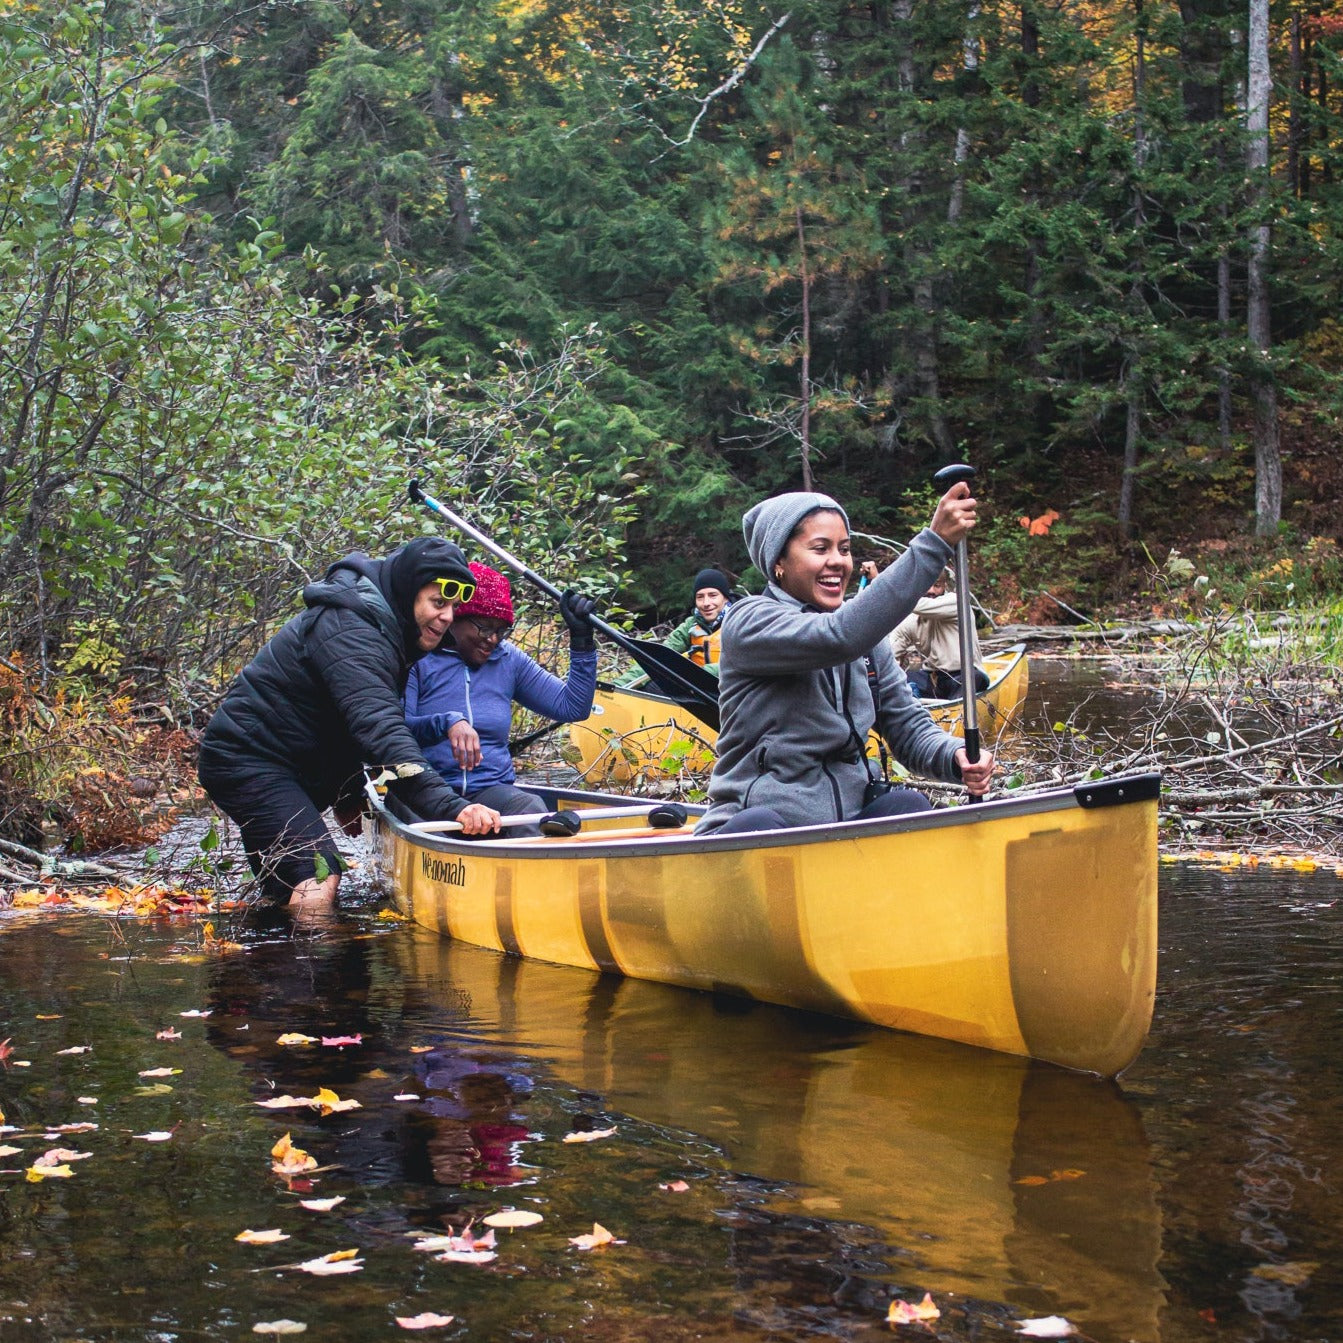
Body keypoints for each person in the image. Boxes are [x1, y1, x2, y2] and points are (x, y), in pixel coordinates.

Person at [197, 537, 503, 917]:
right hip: (248, 760)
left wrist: (347, 792)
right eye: (437, 603)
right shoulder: (351, 629)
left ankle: (267, 967)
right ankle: (307, 965)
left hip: (293, 765)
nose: (446, 617)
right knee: (318, 873)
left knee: (284, 890)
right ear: (409, 593)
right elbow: (380, 728)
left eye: (453, 607)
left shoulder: (386, 628)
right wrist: (452, 807)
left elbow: (341, 719)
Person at [695, 485, 995, 836]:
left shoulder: (866, 641)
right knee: (759, 827)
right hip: (760, 825)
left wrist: (954, 755)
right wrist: (935, 543)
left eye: (845, 549)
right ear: (779, 562)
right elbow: (839, 636)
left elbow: (906, 726)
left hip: (844, 827)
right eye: (820, 548)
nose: (838, 561)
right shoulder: (749, 622)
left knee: (907, 806)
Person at [403, 563, 598, 833]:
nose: (492, 640)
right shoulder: (417, 659)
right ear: (454, 617)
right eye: (484, 628)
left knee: (529, 807)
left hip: (490, 793)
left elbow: (573, 706)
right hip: (428, 792)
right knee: (412, 819)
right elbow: (397, 730)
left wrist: (582, 640)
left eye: (501, 630)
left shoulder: (509, 660)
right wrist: (448, 723)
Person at [860, 560, 989, 700]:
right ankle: (911, 709)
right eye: (926, 586)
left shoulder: (956, 603)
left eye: (937, 586)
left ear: (944, 585)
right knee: (903, 679)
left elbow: (908, 602)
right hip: (934, 680)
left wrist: (878, 580)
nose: (931, 591)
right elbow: (889, 655)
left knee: (974, 678)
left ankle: (959, 716)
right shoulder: (910, 622)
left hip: (965, 676)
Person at [616, 567, 736, 686]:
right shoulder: (691, 625)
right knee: (652, 686)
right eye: (700, 597)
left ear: (725, 598)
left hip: (735, 692)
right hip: (700, 690)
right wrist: (618, 684)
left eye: (713, 595)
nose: (706, 603)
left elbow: (740, 664)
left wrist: (695, 674)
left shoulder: (741, 622)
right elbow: (659, 656)